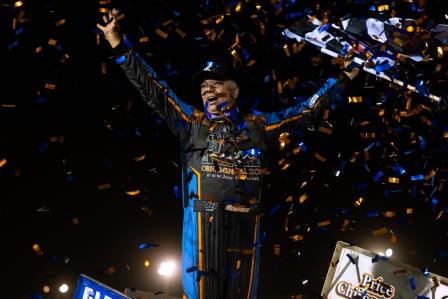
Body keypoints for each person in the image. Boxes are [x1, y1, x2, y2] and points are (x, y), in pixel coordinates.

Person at [97, 9, 358, 299]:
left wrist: (346, 76)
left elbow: (308, 112)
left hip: (246, 226)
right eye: (204, 87)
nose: (207, 90)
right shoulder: (193, 124)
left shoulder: (259, 126)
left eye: (216, 84)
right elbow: (154, 90)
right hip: (201, 227)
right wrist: (116, 41)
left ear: (233, 91)